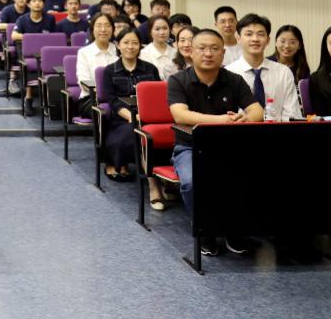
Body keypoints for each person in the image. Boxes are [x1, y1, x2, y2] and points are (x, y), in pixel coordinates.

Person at [168, 29, 263, 257]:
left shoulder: (234, 79)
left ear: (223, 53)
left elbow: (257, 110)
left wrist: (245, 118)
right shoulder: (178, 80)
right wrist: (221, 120)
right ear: (191, 52)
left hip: (227, 147)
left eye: (214, 49)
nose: (208, 54)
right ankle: (205, 230)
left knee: (248, 177)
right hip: (190, 147)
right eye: (202, 48)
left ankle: (233, 229)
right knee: (191, 183)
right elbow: (180, 115)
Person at [100, 28, 160, 183]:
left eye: (135, 43)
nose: (130, 47)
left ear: (140, 46)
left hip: (147, 117)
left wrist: (145, 116)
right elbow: (112, 100)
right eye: (126, 42)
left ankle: (156, 172)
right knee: (127, 135)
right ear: (118, 45)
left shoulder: (151, 69)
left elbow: (157, 96)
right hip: (122, 118)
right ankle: (121, 164)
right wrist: (132, 116)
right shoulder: (110, 71)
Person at [225, 14, 302, 122]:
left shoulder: (283, 72)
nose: (255, 39)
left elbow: (291, 115)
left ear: (268, 40)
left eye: (260, 34)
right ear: (238, 38)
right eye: (249, 34)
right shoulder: (228, 73)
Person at [12, 0, 57, 115]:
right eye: (34, 1)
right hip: (28, 51)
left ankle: (49, 100)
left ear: (43, 4)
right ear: (29, 4)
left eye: (40, 1)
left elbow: (55, 37)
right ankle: (28, 98)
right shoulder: (22, 19)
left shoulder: (50, 19)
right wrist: (33, 39)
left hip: (45, 50)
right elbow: (14, 35)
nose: (37, 3)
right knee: (30, 63)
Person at [75, 13, 117, 117]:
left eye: (107, 25)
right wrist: (104, 93)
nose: (103, 29)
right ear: (92, 29)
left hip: (117, 97)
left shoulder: (119, 50)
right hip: (91, 99)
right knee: (106, 112)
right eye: (99, 26)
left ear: (113, 29)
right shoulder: (84, 52)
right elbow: (83, 81)